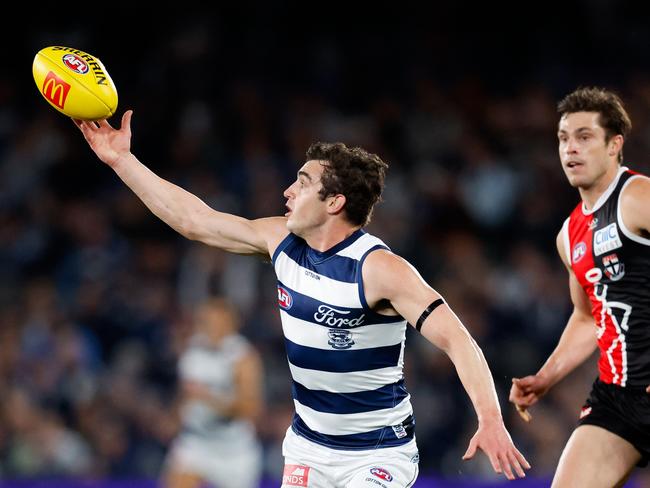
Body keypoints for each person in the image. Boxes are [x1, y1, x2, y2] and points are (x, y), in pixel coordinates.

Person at [74, 112, 529, 487]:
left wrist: (490, 418)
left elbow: (458, 341)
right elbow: (196, 220)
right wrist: (121, 161)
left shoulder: (381, 270)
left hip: (376, 453)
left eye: (302, 182)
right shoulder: (280, 240)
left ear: (334, 202)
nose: (287, 191)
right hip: (308, 447)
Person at [509, 86, 650, 487]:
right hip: (619, 398)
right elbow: (587, 317)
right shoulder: (569, 235)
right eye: (564, 138)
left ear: (614, 145)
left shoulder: (638, 196)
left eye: (585, 137)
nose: (571, 149)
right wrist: (546, 376)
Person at [161, 297, 264, 488]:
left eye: (217, 322)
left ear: (231, 324)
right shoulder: (191, 350)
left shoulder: (243, 358)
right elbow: (185, 394)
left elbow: (250, 409)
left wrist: (208, 397)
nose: (211, 328)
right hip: (195, 441)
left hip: (233, 450)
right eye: (206, 321)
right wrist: (173, 419)